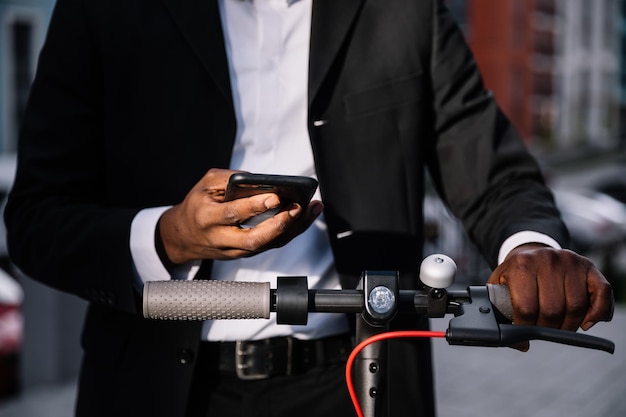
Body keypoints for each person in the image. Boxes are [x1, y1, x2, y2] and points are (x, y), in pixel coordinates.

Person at [4, 0, 614, 416]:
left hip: (356, 379)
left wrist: (533, 247)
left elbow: (488, 165)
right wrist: (168, 238)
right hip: (155, 385)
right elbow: (37, 217)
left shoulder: (400, 9)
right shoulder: (103, 9)